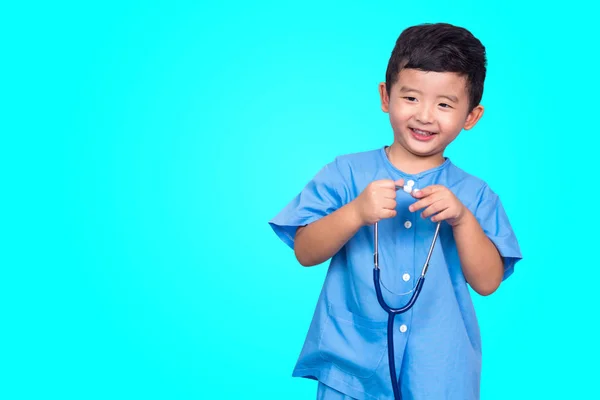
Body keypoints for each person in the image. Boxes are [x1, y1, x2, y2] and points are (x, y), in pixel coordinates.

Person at [268, 22, 522, 400]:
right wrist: (355, 213)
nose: (425, 115)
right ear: (386, 96)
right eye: (411, 98)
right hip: (351, 371)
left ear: (471, 116)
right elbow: (305, 251)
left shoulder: (475, 195)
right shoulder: (346, 173)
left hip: (439, 373)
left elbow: (487, 283)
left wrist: (463, 221)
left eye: (444, 104)